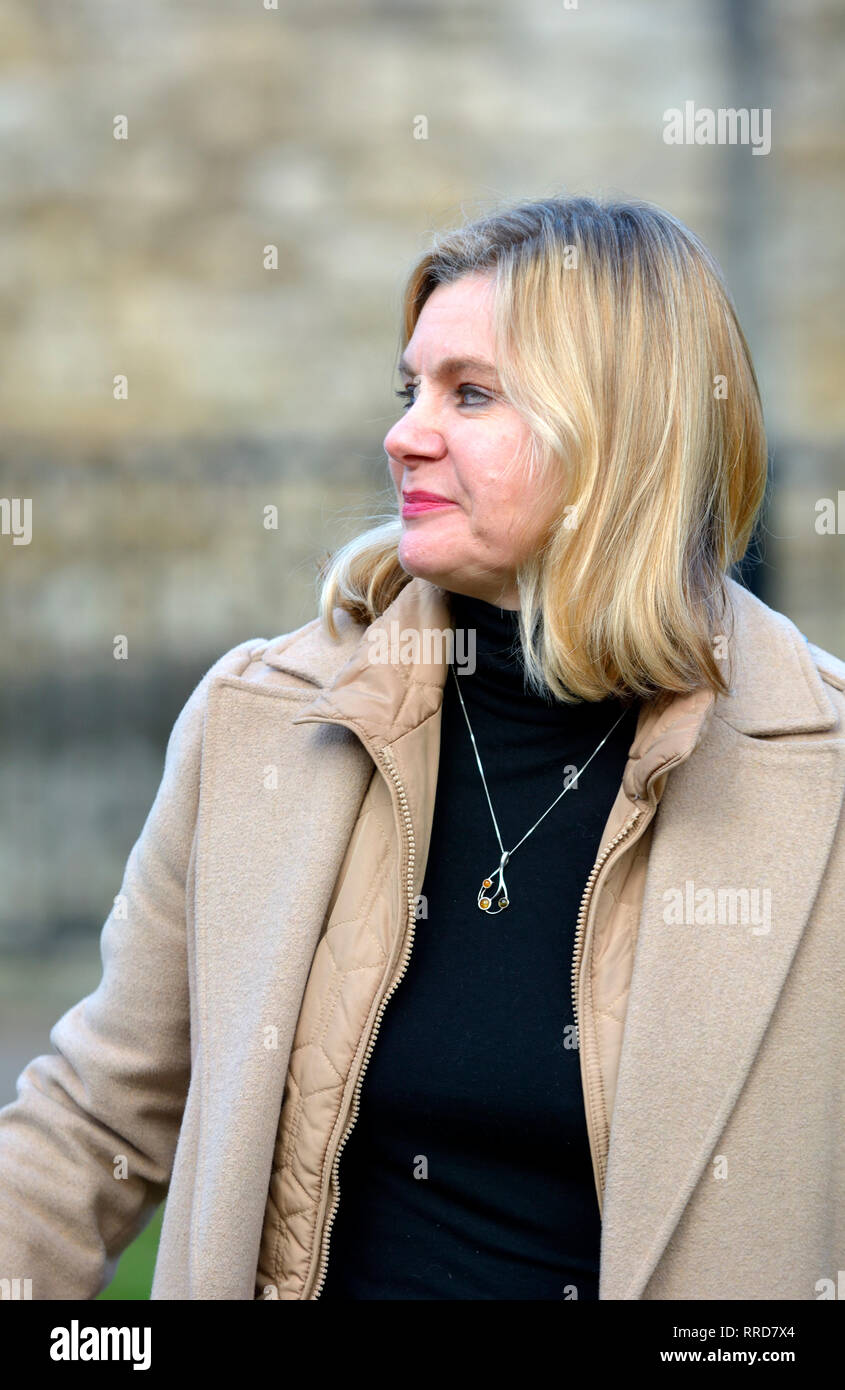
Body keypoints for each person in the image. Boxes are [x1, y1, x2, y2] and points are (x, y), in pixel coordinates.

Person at [0, 195, 843, 1302]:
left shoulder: (817, 773)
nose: (405, 432)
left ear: (623, 433)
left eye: (471, 394)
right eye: (411, 389)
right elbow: (96, 1117)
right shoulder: (261, 718)